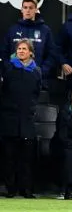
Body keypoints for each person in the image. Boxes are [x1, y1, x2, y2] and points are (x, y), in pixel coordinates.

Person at [1, 40, 42, 198]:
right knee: (9, 157)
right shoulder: (8, 67)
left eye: (24, 49)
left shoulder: (37, 71)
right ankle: (10, 189)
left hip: (27, 120)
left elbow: (36, 92)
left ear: (31, 52)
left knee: (26, 158)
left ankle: (26, 189)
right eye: (19, 49)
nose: (21, 51)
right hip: (9, 118)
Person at [3, 0, 58, 81]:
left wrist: (42, 71)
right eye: (25, 7)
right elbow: (4, 52)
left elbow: (52, 54)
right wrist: (10, 69)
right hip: (15, 78)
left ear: (36, 9)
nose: (28, 10)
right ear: (21, 9)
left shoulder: (45, 30)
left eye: (31, 8)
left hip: (37, 79)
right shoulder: (13, 30)